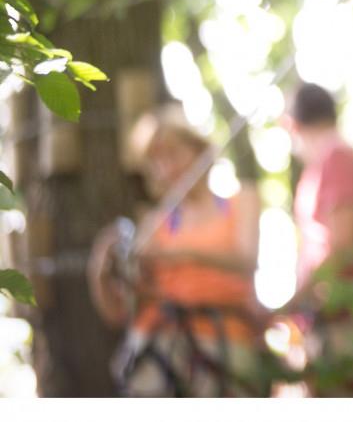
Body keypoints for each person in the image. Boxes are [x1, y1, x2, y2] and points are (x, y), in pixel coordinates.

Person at [87, 105, 269, 397]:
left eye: (172, 153)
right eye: (155, 160)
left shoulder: (240, 202)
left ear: (199, 150)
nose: (165, 167)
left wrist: (181, 255)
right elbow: (121, 311)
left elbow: (247, 261)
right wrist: (100, 269)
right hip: (158, 348)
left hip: (224, 346)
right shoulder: (155, 223)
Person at [280, 81, 353, 394]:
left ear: (291, 125)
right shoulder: (329, 163)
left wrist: (293, 302)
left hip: (344, 326)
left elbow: (342, 246)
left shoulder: (337, 159)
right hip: (328, 323)